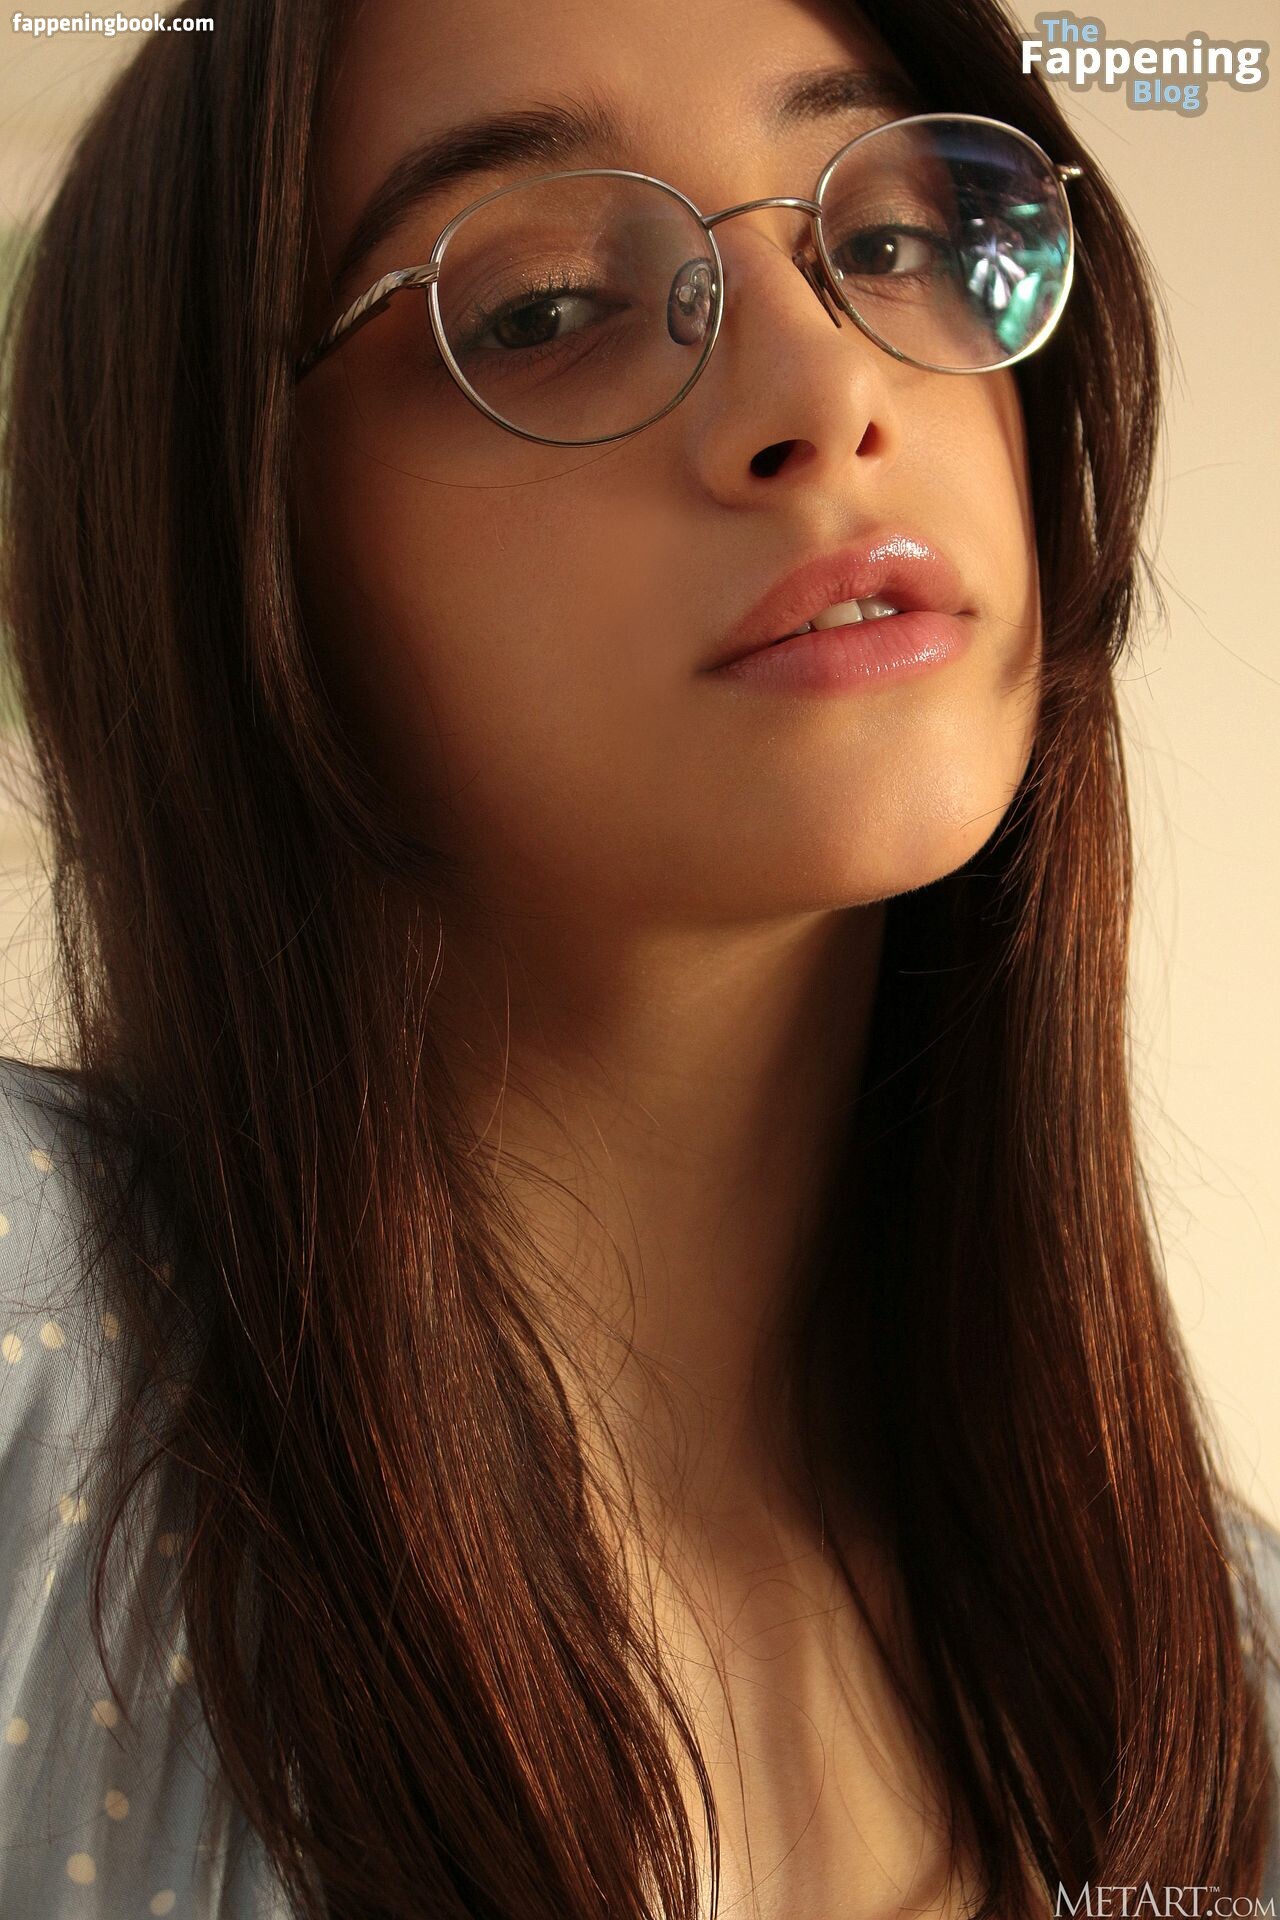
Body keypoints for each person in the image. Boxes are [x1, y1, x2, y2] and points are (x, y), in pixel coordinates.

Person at [0, 0, 1276, 1915]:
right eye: (541, 308)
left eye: (889, 240)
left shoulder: (1227, 1689)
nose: (826, 384)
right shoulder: (28, 1347)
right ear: (229, 537)